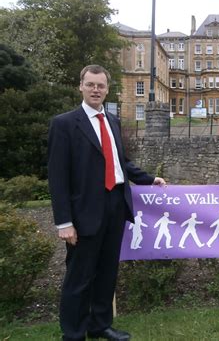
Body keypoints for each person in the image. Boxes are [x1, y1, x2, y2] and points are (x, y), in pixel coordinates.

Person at [48, 64, 166, 341]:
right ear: (81, 86)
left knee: (106, 273)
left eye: (100, 85)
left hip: (115, 206)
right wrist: (64, 222)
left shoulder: (112, 121)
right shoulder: (64, 124)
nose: (96, 90)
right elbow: (57, 177)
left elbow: (120, 163)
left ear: (107, 89)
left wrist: (148, 179)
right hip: (83, 212)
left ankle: (99, 325)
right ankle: (73, 334)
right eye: (90, 84)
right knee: (79, 278)